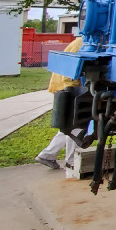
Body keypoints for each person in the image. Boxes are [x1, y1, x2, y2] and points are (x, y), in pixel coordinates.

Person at [34, 34, 83, 170]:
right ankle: (71, 161)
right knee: (75, 126)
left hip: (66, 87)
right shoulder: (82, 44)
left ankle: (48, 155)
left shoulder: (81, 42)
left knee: (68, 125)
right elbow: (70, 70)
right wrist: (74, 90)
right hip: (68, 87)